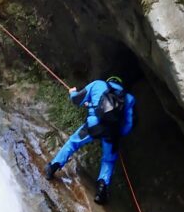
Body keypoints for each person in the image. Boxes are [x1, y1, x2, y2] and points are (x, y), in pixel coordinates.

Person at [44, 76, 135, 204]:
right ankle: (101, 190)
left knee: (73, 143)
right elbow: (127, 127)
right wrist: (117, 133)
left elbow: (77, 100)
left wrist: (72, 92)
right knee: (108, 161)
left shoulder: (98, 84)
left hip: (93, 126)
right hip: (111, 133)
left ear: (109, 81)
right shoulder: (128, 98)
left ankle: (52, 168)